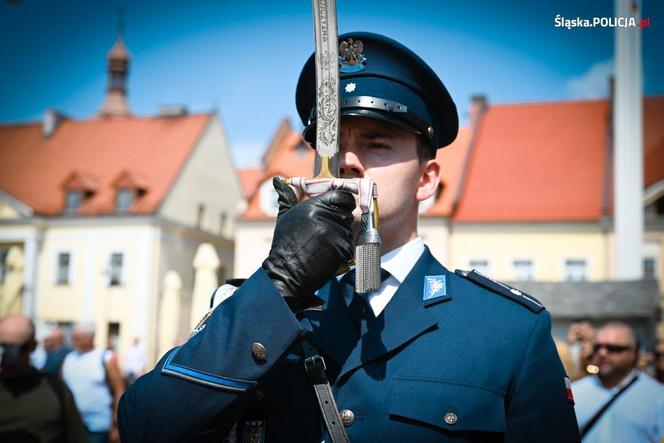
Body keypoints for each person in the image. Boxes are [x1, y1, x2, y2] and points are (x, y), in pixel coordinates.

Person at [119, 32, 580, 442]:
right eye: (332, 145)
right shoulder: (261, 305)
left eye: (377, 143)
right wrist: (280, 283)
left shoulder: (507, 331)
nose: (349, 162)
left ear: (426, 180)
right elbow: (147, 426)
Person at [0, 314, 87, 443]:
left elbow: (77, 437)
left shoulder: (56, 390)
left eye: (14, 349)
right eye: (2, 347)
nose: (7, 356)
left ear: (32, 346)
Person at [572, 322, 664, 442]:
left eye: (613, 349)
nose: (602, 353)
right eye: (597, 347)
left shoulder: (658, 396)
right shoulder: (574, 393)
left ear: (633, 353)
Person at [62, 322, 125, 443]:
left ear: (89, 337)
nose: (73, 340)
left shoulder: (105, 357)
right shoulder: (68, 358)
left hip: (98, 426)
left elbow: (119, 389)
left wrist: (117, 425)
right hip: (72, 426)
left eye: (76, 337)